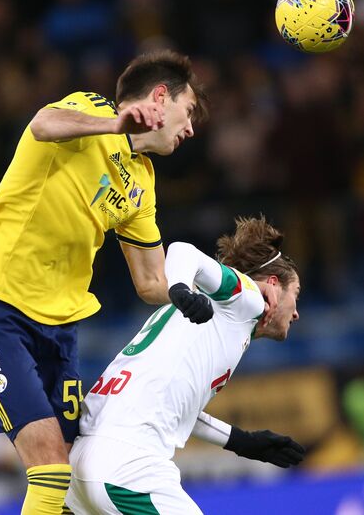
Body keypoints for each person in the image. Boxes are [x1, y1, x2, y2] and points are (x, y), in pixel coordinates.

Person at [0, 50, 276, 514]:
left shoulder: (142, 182)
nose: (190, 129)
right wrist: (114, 124)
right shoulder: (92, 111)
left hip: (60, 330)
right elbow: (43, 123)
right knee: (51, 468)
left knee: (68, 481)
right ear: (160, 98)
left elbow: (150, 281)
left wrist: (183, 292)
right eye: (187, 112)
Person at [65, 216, 305, 515]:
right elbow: (182, 251)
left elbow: (178, 406)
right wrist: (179, 288)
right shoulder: (251, 298)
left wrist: (242, 442)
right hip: (128, 467)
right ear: (273, 284)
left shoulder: (205, 326)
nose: (296, 313)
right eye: (296, 294)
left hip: (82, 469)